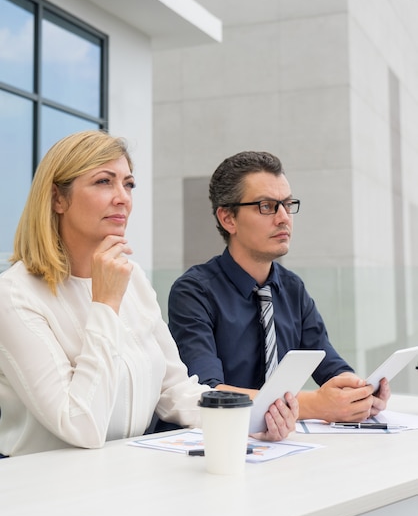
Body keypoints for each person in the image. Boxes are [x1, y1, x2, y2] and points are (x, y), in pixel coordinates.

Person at [0, 132, 297, 457]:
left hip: (128, 477)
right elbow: (80, 425)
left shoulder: (133, 279)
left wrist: (251, 417)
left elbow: (175, 390)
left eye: (128, 184)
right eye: (103, 182)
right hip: (46, 492)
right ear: (58, 198)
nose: (122, 198)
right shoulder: (15, 295)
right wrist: (105, 304)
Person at [168, 151, 391, 423]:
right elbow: (206, 394)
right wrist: (313, 405)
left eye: (287, 204)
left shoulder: (292, 288)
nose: (284, 217)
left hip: (277, 448)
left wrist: (358, 392)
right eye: (266, 206)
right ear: (228, 219)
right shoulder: (194, 292)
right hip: (212, 447)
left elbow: (330, 365)